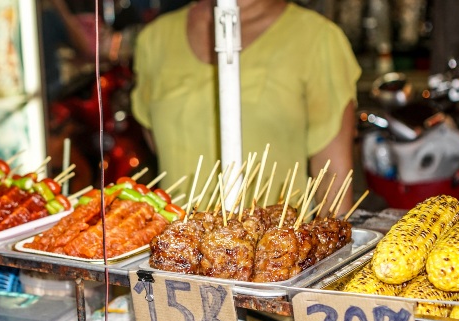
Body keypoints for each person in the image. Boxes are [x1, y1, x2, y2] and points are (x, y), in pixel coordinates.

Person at [130, 0, 361, 213]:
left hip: (275, 251)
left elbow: (333, 178)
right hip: (176, 250)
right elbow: (159, 145)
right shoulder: (155, 39)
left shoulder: (316, 37)